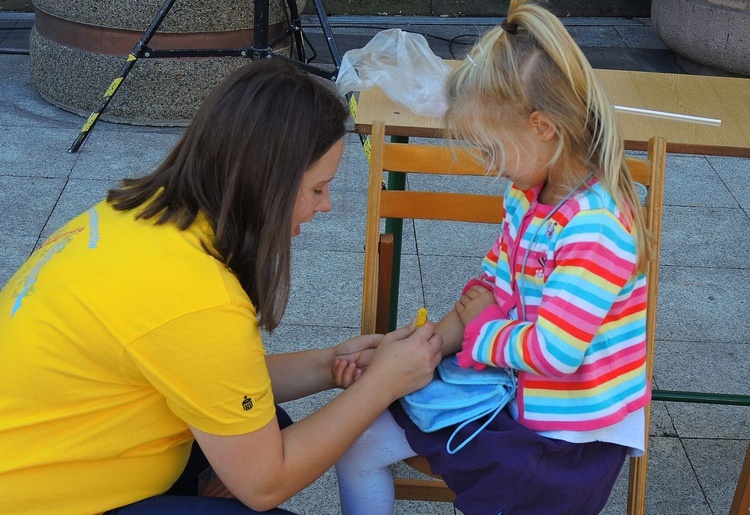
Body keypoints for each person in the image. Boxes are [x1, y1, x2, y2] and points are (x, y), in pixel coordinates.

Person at [0, 59, 443, 515]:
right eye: (317, 189)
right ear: (269, 184)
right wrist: (384, 385)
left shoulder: (146, 212)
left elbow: (213, 372)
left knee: (267, 425)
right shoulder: (195, 296)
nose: (326, 205)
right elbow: (266, 484)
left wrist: (329, 365)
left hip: (47, 452)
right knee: (266, 468)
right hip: (30, 498)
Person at [334, 1, 652, 513]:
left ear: (542, 127)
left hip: (566, 442)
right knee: (355, 440)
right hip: (514, 393)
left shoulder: (597, 228)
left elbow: (554, 354)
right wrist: (425, 347)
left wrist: (481, 331)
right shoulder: (528, 194)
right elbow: (490, 289)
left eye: (492, 149)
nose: (488, 166)